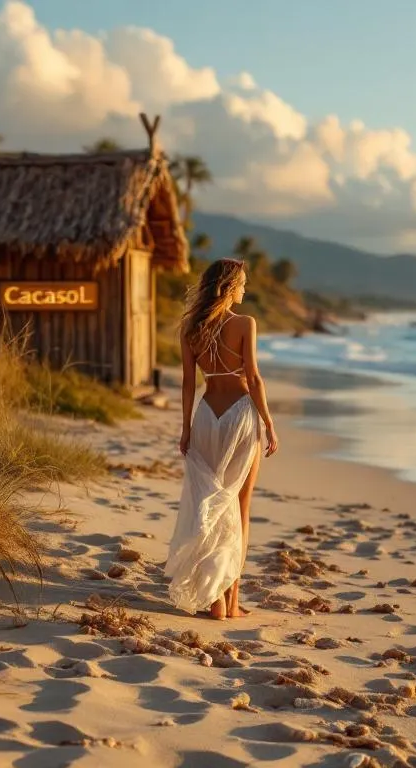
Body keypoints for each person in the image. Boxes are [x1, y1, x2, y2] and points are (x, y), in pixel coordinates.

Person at [165, 259, 280, 620]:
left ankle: (217, 599)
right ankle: (230, 603)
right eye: (242, 283)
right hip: (239, 416)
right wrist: (269, 423)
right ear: (229, 287)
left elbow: (188, 383)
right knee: (239, 507)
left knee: (212, 505)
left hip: (206, 417)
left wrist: (186, 428)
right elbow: (254, 378)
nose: (245, 289)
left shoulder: (190, 328)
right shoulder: (245, 324)